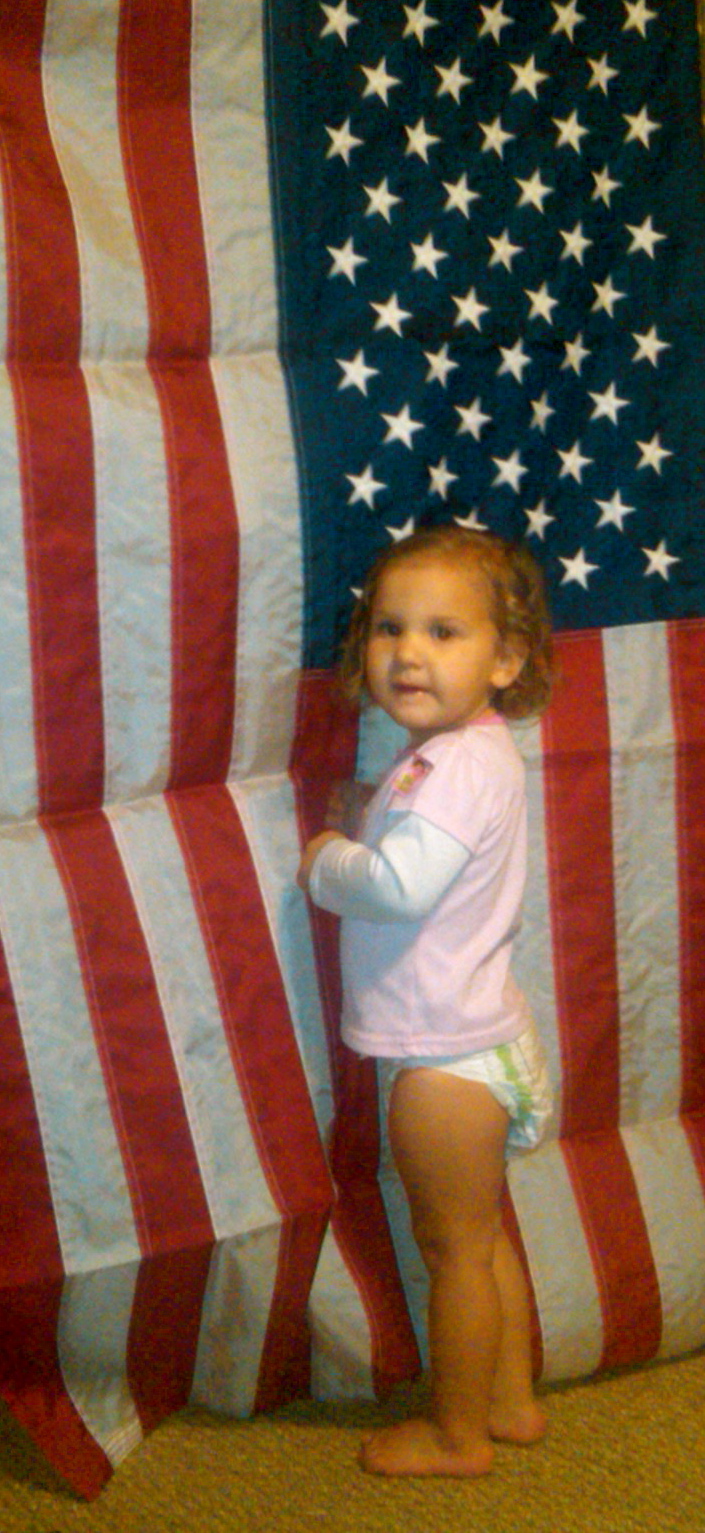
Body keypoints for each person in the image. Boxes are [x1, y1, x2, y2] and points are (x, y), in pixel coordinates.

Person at [297, 523, 557, 1478]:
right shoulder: (462, 755)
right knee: (479, 1240)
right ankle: (509, 1401)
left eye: (444, 632)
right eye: (389, 627)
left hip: (445, 1059)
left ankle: (457, 1436)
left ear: (506, 659)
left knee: (453, 1252)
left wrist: (326, 860)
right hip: (478, 1039)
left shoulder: (453, 767)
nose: (409, 651)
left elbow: (400, 886)